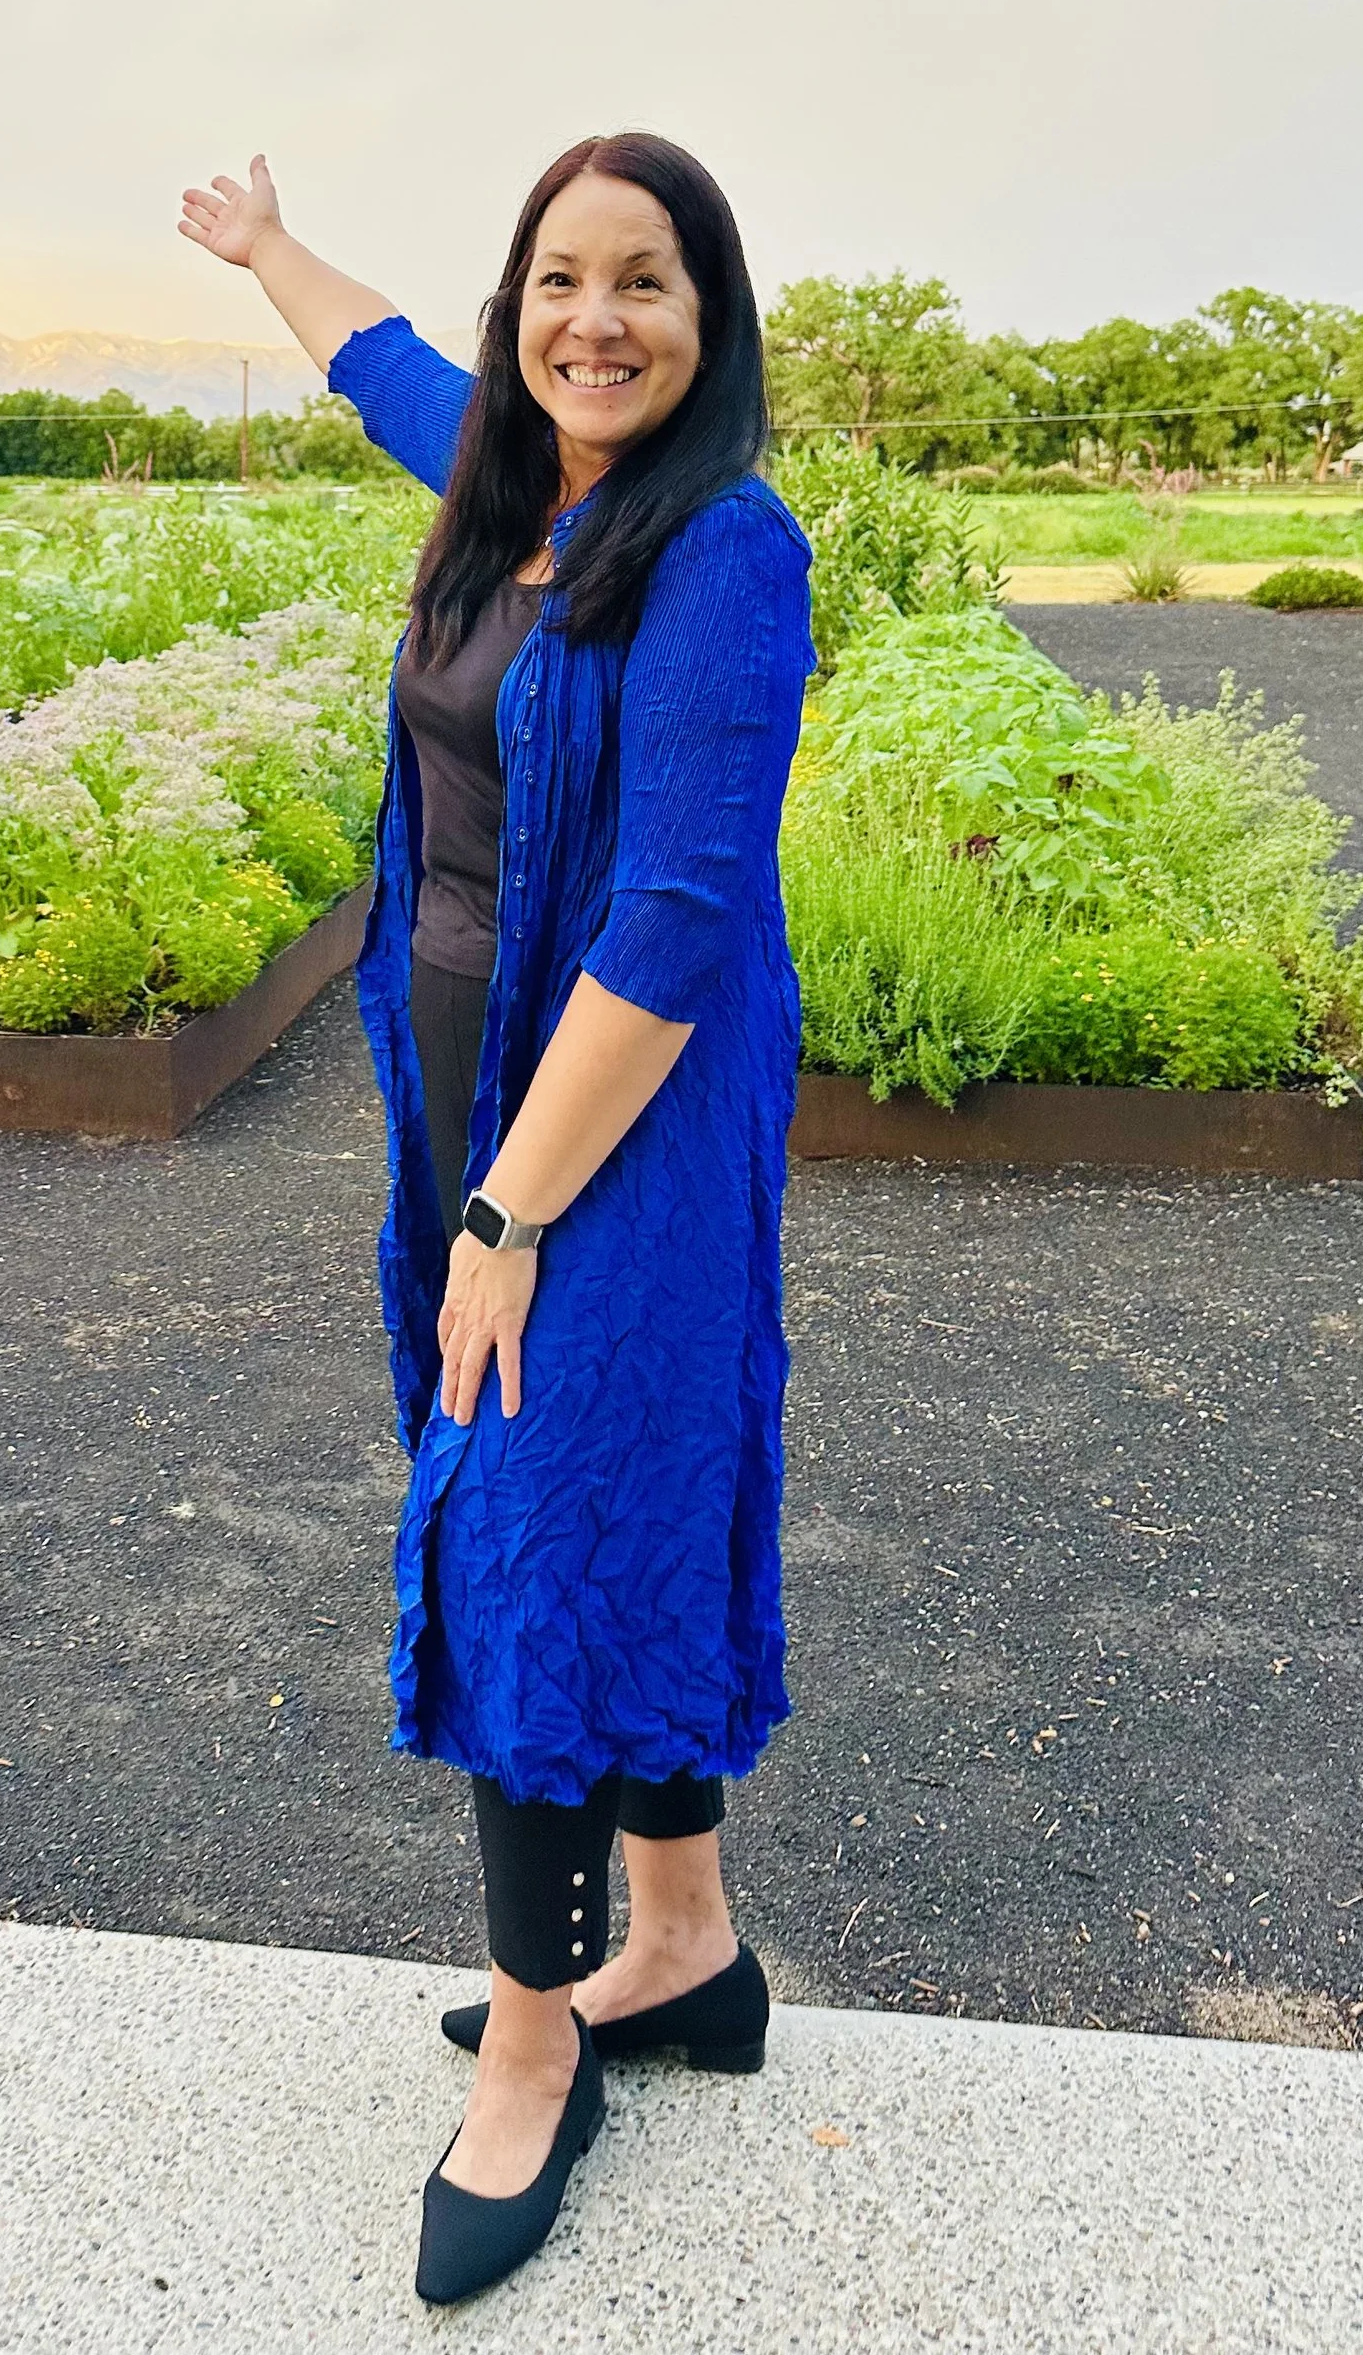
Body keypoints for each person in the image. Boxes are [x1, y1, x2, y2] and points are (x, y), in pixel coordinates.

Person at [177, 133, 812, 2305]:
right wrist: (266, 249)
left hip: (599, 1134)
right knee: (587, 1500)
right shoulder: (505, 474)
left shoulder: (721, 551)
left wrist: (511, 1212)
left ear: (707, 316)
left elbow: (671, 915)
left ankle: (538, 2046)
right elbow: (366, 362)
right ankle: (685, 1947)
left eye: (643, 281)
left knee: (528, 1525)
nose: (593, 321)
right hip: (461, 1087)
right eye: (557, 278)